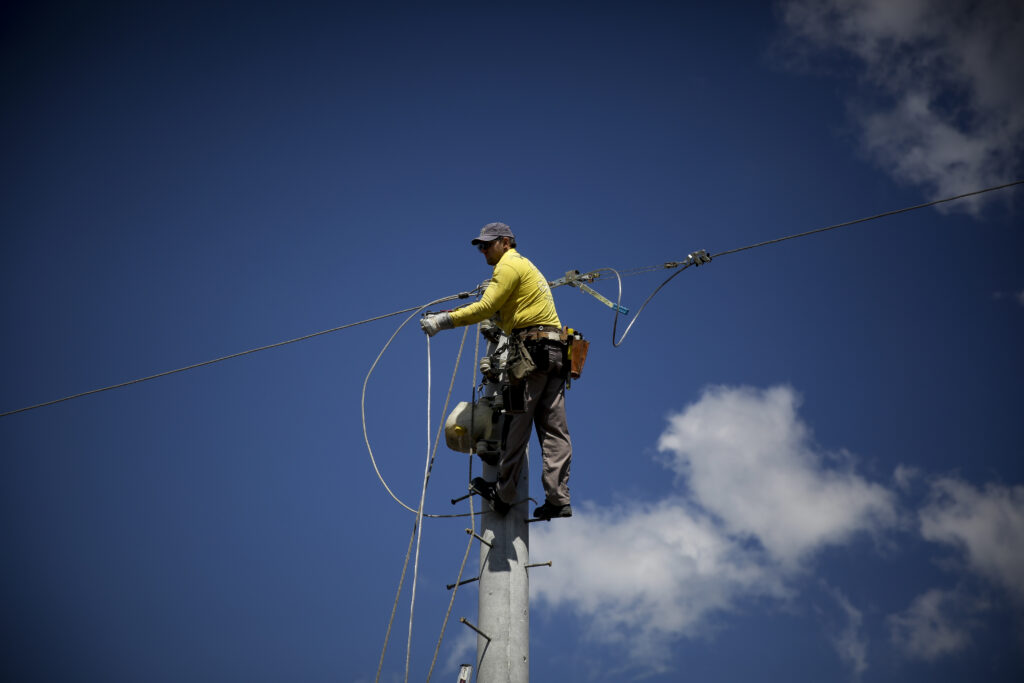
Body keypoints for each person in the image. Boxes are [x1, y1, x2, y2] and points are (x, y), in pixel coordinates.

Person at [420, 222, 573, 520]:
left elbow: (486, 307)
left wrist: (443, 321)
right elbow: (505, 315)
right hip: (555, 352)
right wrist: (469, 315)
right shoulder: (526, 267)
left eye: (487, 244)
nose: (483, 250)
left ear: (505, 242)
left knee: (517, 422)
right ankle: (558, 497)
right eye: (480, 246)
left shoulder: (507, 266)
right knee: (554, 429)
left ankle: (503, 493)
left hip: (533, 352)